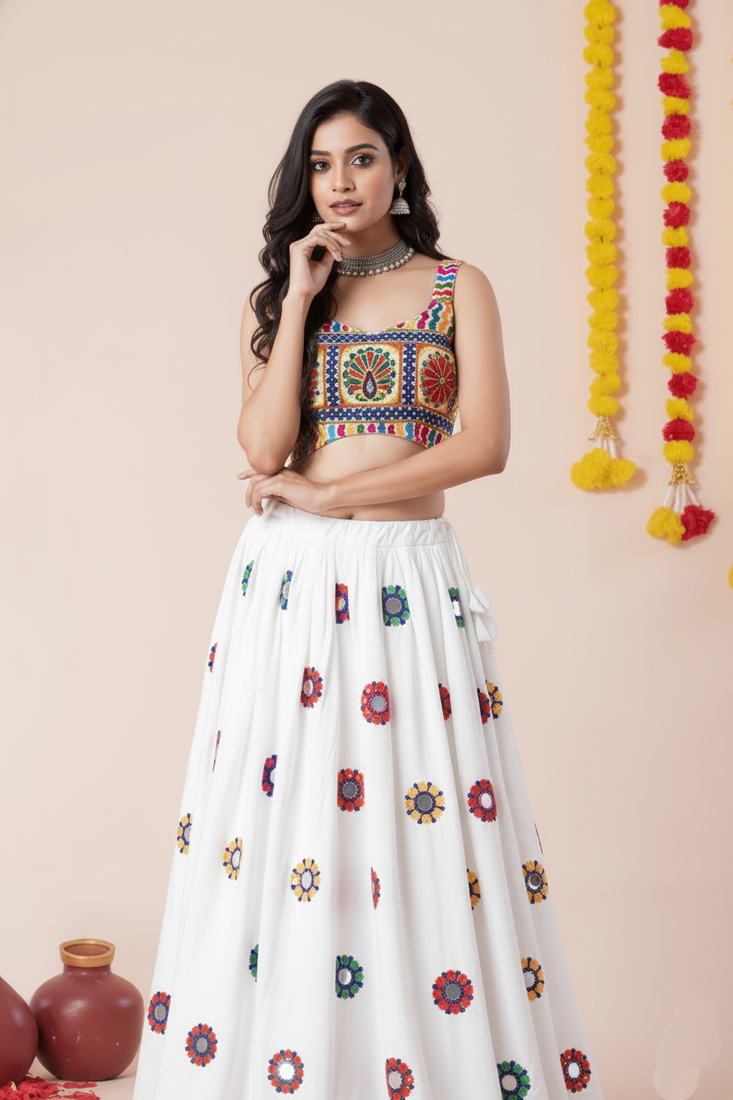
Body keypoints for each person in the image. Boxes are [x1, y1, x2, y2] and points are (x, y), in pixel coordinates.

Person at [132, 80, 603, 1099]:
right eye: (319, 164)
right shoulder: (277, 298)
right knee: (291, 814)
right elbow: (264, 448)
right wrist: (301, 299)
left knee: (416, 813)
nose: (339, 182)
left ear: (399, 165)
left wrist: (331, 496)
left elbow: (484, 445)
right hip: (291, 584)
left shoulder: (457, 286)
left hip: (406, 580)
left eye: (359, 158)